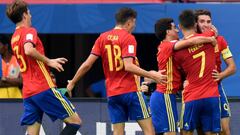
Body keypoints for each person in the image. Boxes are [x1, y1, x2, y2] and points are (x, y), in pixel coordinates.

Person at [67, 7, 166, 135]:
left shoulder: (102, 37)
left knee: (118, 132)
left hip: (113, 93)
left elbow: (87, 64)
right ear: (129, 22)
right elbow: (128, 66)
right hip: (131, 92)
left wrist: (73, 82)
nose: (134, 26)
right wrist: (152, 75)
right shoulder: (128, 38)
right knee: (149, 131)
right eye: (134, 23)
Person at [6, 0, 81, 135]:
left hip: (28, 92)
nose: (31, 15)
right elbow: (28, 50)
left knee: (33, 133)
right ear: (24, 15)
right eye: (29, 12)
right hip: (42, 87)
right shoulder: (29, 31)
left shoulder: (13, 38)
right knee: (75, 122)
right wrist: (49, 61)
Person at [142, 18, 216, 135]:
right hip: (164, 95)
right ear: (168, 32)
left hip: (164, 96)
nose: (177, 30)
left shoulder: (165, 46)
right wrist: (210, 38)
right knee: (171, 133)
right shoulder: (168, 45)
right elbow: (190, 42)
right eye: (174, 28)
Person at [174, 10, 220, 135]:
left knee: (186, 132)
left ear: (180, 26)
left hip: (192, 96)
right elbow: (214, 31)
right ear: (195, 25)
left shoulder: (177, 50)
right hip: (212, 96)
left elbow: (177, 70)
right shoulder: (210, 37)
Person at [195, 9, 236, 135]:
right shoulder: (189, 42)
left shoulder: (220, 40)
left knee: (225, 130)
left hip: (216, 88)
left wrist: (221, 75)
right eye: (202, 21)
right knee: (202, 130)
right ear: (195, 23)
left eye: (208, 21)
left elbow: (232, 67)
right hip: (196, 90)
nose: (206, 24)